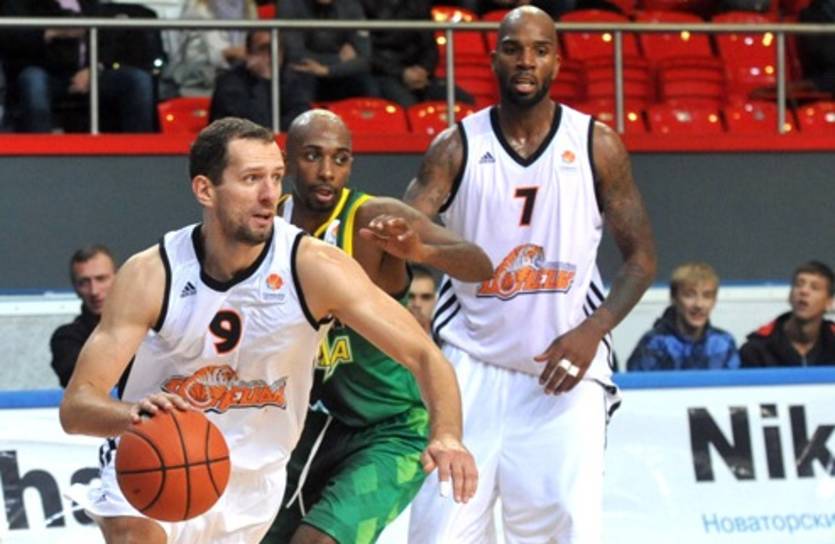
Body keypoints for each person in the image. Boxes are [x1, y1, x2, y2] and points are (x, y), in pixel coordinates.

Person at [59, 117, 477, 544]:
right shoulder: (152, 273)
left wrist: (447, 435)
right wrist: (133, 416)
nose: (269, 194)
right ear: (205, 190)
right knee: (133, 535)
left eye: (276, 177)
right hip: (157, 453)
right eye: (251, 179)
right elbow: (76, 407)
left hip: (253, 481)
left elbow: (423, 354)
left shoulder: (314, 266)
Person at [403, 6, 657, 543]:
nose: (526, 61)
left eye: (540, 50)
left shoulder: (596, 145)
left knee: (567, 527)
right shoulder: (454, 147)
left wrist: (593, 331)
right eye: (514, 49)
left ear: (557, 62)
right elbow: (405, 238)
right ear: (494, 59)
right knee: (439, 531)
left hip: (564, 371)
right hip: (469, 366)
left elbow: (641, 260)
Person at [264, 109, 492, 544]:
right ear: (287, 160)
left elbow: (480, 264)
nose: (327, 171)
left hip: (388, 427)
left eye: (340, 159)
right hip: (301, 429)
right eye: (312, 156)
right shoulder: (264, 223)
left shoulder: (372, 217)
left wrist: (421, 251)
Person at [0, 0, 154, 133]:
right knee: (33, 80)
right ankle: (40, 149)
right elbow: (12, 39)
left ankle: (140, 148)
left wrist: (94, 69)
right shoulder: (21, 3)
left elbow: (107, 40)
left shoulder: (88, 3)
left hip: (89, 72)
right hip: (47, 73)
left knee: (137, 80)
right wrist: (52, 32)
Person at [627, 262, 740, 371]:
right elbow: (640, 382)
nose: (699, 304)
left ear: (714, 301)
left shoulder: (724, 343)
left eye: (707, 296)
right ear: (674, 298)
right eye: (689, 295)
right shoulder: (655, 342)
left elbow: (735, 382)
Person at [359, 0, 473, 107]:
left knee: (464, 101)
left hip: (420, 74)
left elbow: (430, 46)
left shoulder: (419, 3)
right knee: (409, 105)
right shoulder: (364, 4)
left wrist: (423, 69)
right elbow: (365, 51)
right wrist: (402, 73)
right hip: (384, 74)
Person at [278, 0, 376, 106]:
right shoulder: (290, 4)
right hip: (305, 73)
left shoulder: (350, 4)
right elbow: (295, 55)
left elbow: (364, 58)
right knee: (297, 79)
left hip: (339, 72)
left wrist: (327, 71)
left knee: (366, 84)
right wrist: (338, 58)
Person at [50, 245, 122, 388]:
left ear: (118, 278)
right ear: (75, 288)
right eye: (84, 282)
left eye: (101, 279)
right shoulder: (66, 338)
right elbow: (81, 384)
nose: (94, 291)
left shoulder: (148, 328)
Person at [740, 260, 835, 367]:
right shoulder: (757, 349)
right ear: (790, 295)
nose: (804, 291)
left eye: (814, 287)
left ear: (829, 302)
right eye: (798, 285)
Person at [209, 30, 310, 130]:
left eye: (275, 49)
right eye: (263, 49)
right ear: (249, 54)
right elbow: (250, 127)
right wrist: (263, 80)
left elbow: (302, 121)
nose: (271, 56)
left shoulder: (292, 80)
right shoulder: (229, 83)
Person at [162, 0, 258, 98]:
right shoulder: (197, 9)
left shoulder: (249, 7)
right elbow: (191, 60)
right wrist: (225, 54)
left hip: (242, 87)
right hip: (203, 88)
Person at [409, 264, 438, 335]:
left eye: (426, 297)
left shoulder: (451, 339)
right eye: (410, 296)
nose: (417, 304)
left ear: (435, 301)